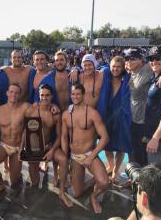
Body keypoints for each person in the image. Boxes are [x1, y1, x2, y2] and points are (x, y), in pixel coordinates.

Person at [61, 83, 109, 214]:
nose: (75, 96)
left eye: (78, 94)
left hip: (89, 154)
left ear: (83, 95)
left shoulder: (93, 113)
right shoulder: (66, 114)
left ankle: (94, 196)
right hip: (74, 157)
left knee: (104, 183)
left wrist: (92, 156)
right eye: (73, 94)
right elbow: (64, 137)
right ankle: (92, 180)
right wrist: (66, 157)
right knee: (76, 193)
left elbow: (105, 137)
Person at [26, 84, 73, 207]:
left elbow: (58, 136)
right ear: (39, 96)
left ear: (52, 96)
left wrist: (52, 150)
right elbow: (24, 130)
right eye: (42, 95)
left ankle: (62, 192)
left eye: (47, 95)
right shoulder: (32, 109)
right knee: (35, 183)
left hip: (47, 146)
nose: (44, 98)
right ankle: (34, 186)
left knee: (63, 159)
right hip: (34, 148)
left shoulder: (55, 113)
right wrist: (23, 148)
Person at [0, 84, 30, 197]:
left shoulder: (25, 107)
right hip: (3, 144)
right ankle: (1, 184)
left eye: (16, 92)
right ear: (7, 93)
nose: (13, 95)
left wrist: (22, 147)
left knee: (15, 180)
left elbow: (29, 127)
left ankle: (17, 173)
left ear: (20, 94)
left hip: (17, 147)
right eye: (11, 92)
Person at [98, 56, 132, 183]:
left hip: (122, 118)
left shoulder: (127, 79)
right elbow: (94, 70)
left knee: (121, 147)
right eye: (113, 66)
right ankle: (110, 165)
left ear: (123, 68)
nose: (115, 69)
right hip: (107, 116)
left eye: (118, 67)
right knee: (106, 145)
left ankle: (115, 171)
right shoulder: (106, 77)